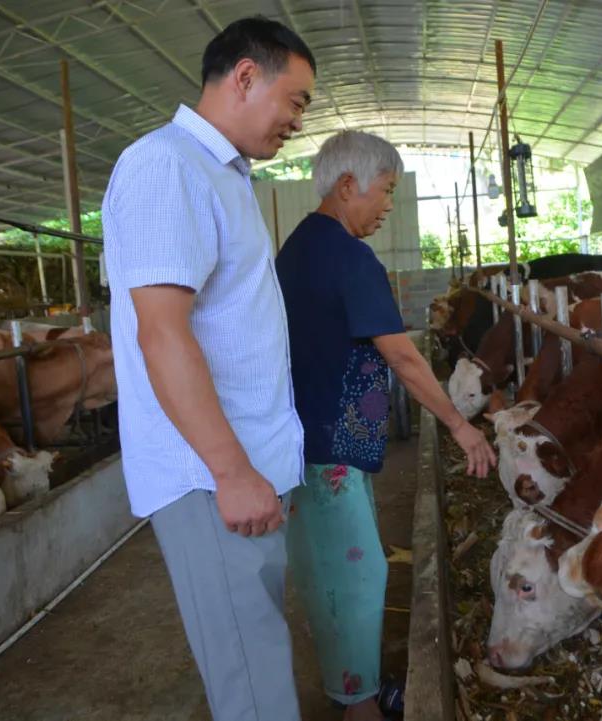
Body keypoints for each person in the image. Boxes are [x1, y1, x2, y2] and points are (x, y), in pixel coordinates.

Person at [102, 17, 315, 721]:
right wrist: (230, 470)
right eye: (298, 100)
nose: (296, 121)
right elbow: (162, 335)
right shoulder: (166, 166)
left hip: (240, 466)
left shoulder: (224, 175)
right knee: (253, 685)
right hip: (210, 475)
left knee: (257, 656)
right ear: (247, 76)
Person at [276, 130, 496, 721]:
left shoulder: (298, 247)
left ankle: (359, 690)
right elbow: (401, 355)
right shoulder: (349, 256)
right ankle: (358, 706)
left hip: (314, 440)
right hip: (330, 447)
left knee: (338, 567)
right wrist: (459, 426)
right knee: (356, 576)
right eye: (387, 191)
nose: (389, 206)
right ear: (349, 186)